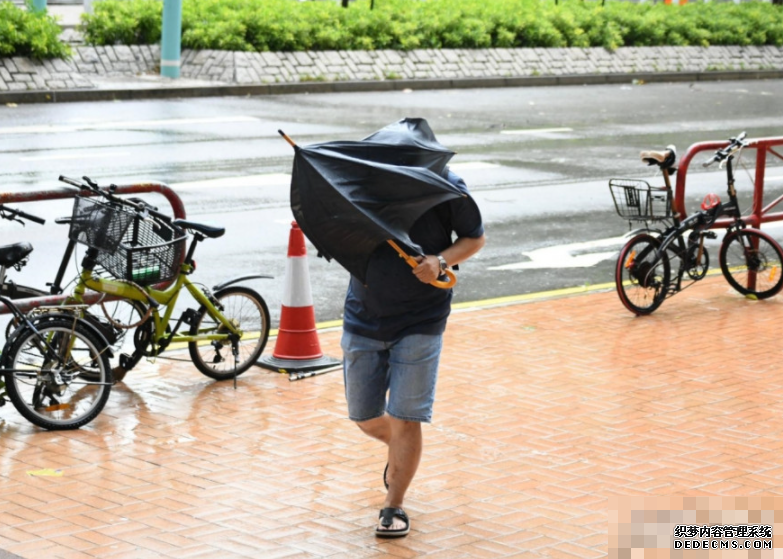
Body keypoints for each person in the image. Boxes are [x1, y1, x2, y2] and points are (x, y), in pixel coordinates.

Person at [341, 167, 485, 538]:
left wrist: (441, 259)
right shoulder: (359, 185)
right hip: (364, 316)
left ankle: (394, 505)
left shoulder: (447, 187)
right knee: (364, 416)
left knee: (406, 417)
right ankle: (401, 449)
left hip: (422, 318)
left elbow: (474, 238)